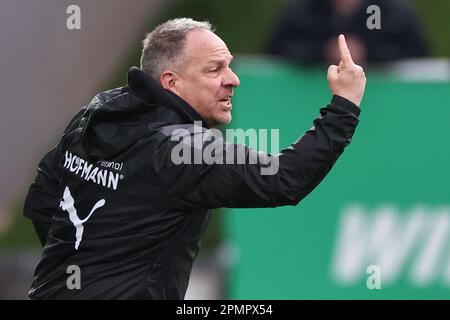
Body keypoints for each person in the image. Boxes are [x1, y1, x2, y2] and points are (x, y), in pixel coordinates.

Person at [23, 18, 366, 299]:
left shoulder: (94, 115)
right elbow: (283, 178)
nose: (233, 80)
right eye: (215, 69)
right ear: (171, 82)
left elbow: (42, 201)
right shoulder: (182, 149)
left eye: (229, 67)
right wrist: (344, 106)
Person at [268, 0, 429, 65]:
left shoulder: (393, 11)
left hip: (385, 110)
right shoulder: (302, 11)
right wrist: (322, 51)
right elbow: (275, 52)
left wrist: (369, 53)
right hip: (312, 111)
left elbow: (419, 57)